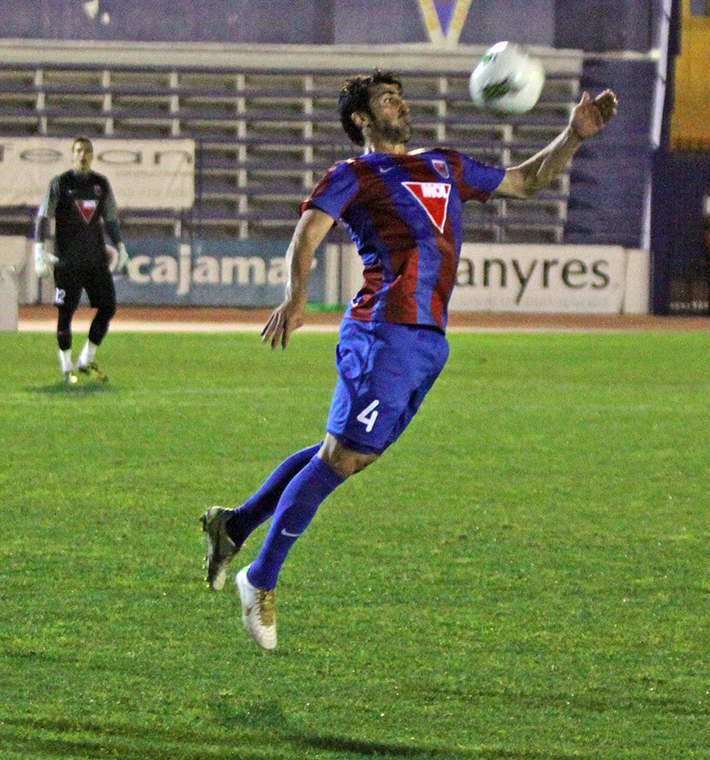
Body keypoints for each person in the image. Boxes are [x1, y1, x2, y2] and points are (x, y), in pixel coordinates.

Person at [200, 70, 617, 650]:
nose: (400, 105)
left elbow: (526, 182)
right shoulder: (355, 174)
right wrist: (296, 297)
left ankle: (235, 524)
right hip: (383, 328)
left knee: (350, 453)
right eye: (386, 99)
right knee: (343, 455)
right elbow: (307, 232)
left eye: (399, 97)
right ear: (361, 119)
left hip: (428, 341)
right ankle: (260, 579)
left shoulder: (444, 164)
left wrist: (573, 135)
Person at [33, 137, 129, 385]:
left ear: (92, 155)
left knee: (108, 307)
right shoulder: (60, 183)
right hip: (67, 262)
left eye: (87, 151)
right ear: (72, 155)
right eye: (78, 151)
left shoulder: (101, 184)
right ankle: (67, 368)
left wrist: (120, 245)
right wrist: (39, 251)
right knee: (65, 313)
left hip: (95, 260)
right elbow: (43, 217)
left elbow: (110, 218)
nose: (83, 155)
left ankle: (86, 359)